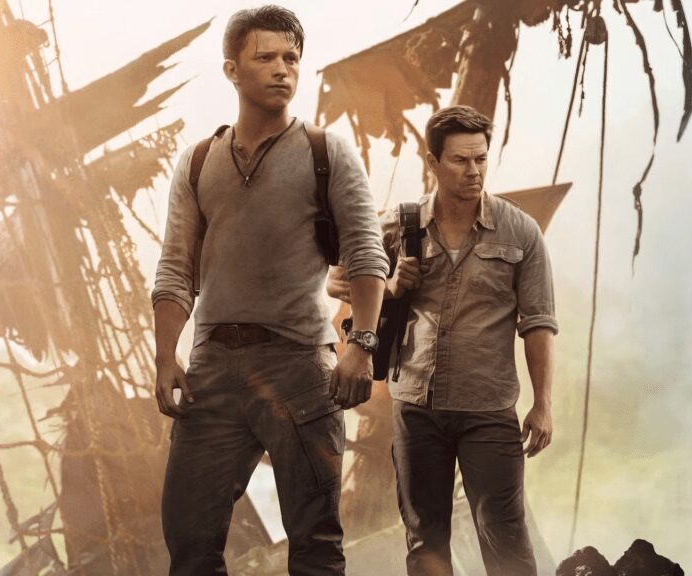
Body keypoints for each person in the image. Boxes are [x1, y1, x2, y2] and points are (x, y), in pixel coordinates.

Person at [150, 6, 388, 575]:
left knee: (315, 545)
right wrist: (164, 356)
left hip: (299, 365)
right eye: (266, 58)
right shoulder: (199, 162)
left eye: (291, 58)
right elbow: (176, 270)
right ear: (232, 70)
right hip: (212, 366)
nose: (283, 69)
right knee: (189, 540)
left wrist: (361, 345)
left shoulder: (327, 153)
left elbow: (366, 254)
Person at [327, 105, 557, 576]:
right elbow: (337, 280)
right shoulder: (399, 225)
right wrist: (391, 284)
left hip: (489, 408)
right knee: (425, 541)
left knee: (505, 537)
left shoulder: (520, 231)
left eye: (481, 159)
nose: (474, 171)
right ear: (433, 162)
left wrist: (543, 404)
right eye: (460, 160)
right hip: (417, 406)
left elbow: (538, 323)